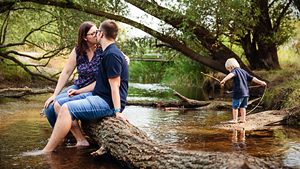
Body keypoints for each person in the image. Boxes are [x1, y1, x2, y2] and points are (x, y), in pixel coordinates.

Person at [41, 19, 129, 153]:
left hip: (101, 95)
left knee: (65, 107)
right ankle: (65, 135)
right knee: (53, 106)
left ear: (101, 35)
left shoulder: (107, 52)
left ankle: (48, 150)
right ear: (84, 37)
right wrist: (58, 94)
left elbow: (115, 84)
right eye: (92, 33)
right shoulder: (84, 50)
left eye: (97, 32)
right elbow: (66, 72)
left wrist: (117, 111)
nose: (96, 34)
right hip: (89, 89)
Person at [220, 58, 267, 124]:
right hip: (246, 93)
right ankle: (243, 119)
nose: (229, 71)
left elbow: (231, 75)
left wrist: (224, 80)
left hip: (238, 92)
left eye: (228, 69)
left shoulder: (235, 71)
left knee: (235, 106)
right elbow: (252, 78)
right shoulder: (243, 71)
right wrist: (261, 82)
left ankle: (235, 120)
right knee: (243, 106)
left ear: (231, 67)